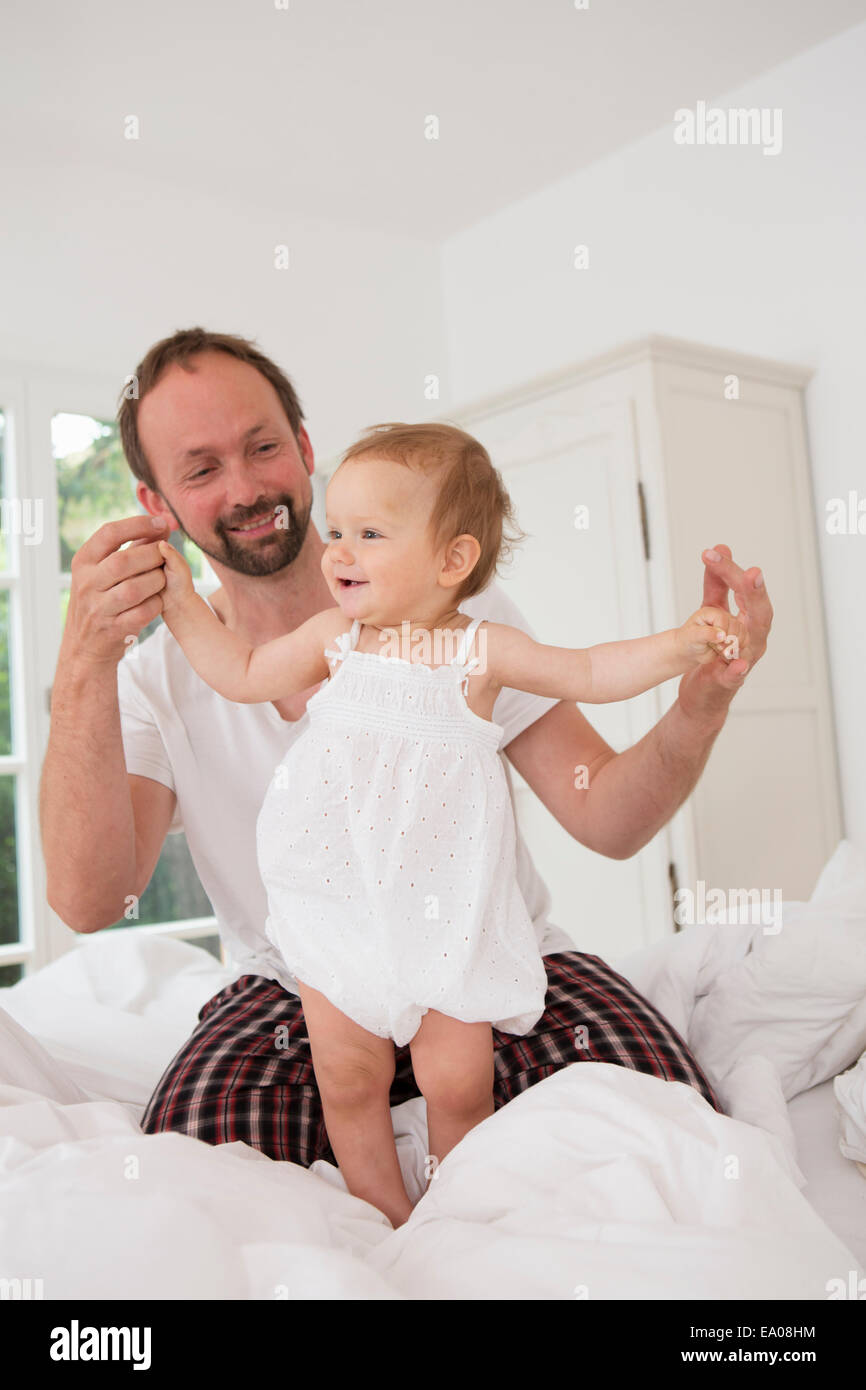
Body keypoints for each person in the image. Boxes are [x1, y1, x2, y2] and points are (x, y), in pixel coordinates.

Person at [38, 328, 773, 1200]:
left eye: (263, 446)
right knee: (185, 1180)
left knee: (680, 1147)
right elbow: (88, 900)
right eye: (199, 470)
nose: (244, 488)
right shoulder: (157, 675)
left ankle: (459, 1224)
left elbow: (608, 814)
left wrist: (700, 693)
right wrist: (84, 655)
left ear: (305, 449)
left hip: (478, 949)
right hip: (302, 977)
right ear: (156, 504)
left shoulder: (458, 619)